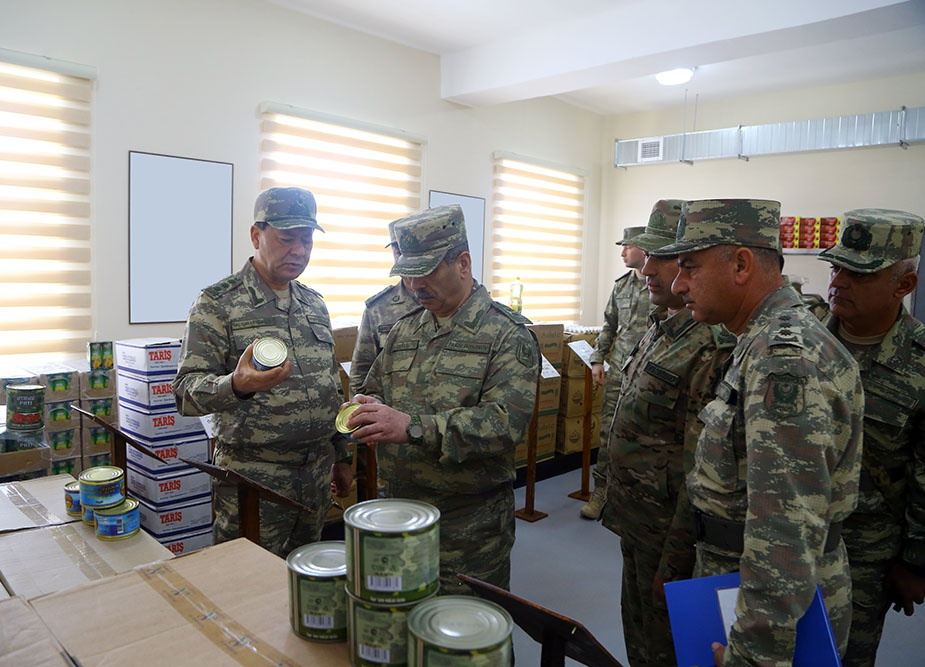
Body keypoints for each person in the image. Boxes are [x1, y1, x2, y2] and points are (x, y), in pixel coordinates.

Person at [658, 198, 863, 665]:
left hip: (770, 615)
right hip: (738, 583)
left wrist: (752, 655)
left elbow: (785, 529)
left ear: (742, 264)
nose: (678, 283)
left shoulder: (784, 359)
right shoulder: (759, 341)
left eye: (689, 266)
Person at [347, 204, 539, 594]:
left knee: (468, 638)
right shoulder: (405, 331)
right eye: (409, 273)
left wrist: (412, 426)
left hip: (468, 529)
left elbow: (505, 424)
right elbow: (375, 389)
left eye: (427, 271)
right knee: (406, 627)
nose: (416, 285)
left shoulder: (506, 335)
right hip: (400, 514)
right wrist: (363, 409)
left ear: (463, 263)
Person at [174, 186, 352, 557]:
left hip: (315, 477)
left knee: (306, 583)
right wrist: (235, 385)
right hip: (254, 480)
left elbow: (330, 389)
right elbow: (185, 391)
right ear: (257, 235)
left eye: (307, 240)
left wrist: (343, 455)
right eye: (287, 239)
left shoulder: (314, 304)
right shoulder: (217, 303)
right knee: (246, 588)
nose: (299, 251)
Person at [602, 199, 736, 666]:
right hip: (637, 520)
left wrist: (676, 561)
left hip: (670, 536)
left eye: (665, 259)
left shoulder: (711, 346)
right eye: (650, 257)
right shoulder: (661, 327)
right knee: (638, 633)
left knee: (668, 646)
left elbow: (699, 467)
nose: (648, 271)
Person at [817, 209, 925, 667]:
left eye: (859, 273)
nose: (839, 281)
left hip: (864, 554)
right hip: (781, 538)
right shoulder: (802, 343)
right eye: (837, 267)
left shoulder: (919, 365)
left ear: (904, 286)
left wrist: (914, 562)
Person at [582, 224, 654, 520]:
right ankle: (602, 491)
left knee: (647, 433)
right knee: (609, 431)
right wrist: (598, 360)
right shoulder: (622, 286)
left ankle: (637, 496)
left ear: (645, 249)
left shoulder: (662, 284)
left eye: (628, 246)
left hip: (650, 372)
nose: (623, 252)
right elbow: (609, 326)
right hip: (619, 370)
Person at [349, 219, 420, 396]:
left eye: (412, 250)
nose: (404, 258)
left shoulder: (450, 302)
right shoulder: (378, 308)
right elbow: (360, 373)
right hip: (388, 416)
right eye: (398, 250)